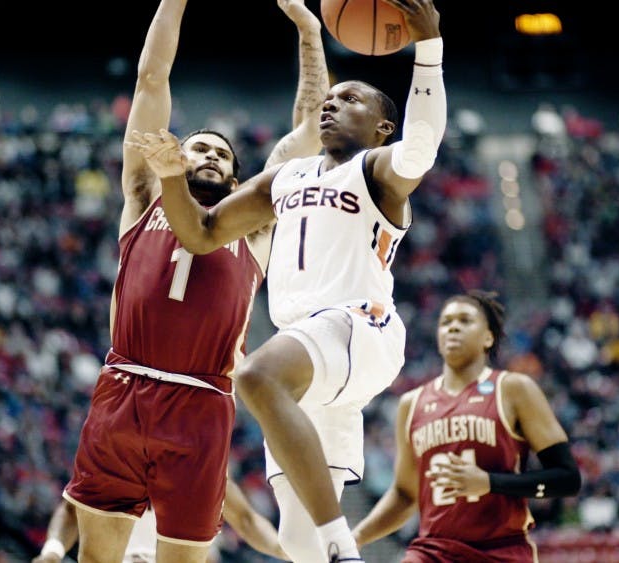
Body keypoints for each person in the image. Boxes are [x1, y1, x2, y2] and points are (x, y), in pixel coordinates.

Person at [130, 2, 444, 560]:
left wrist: (429, 48)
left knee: (254, 377)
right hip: (309, 355)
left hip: (356, 326)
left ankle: (344, 549)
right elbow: (202, 233)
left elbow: (421, 147)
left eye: (349, 99)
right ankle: (328, 546)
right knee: (298, 546)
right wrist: (173, 178)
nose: (331, 106)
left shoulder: (377, 170)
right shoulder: (286, 177)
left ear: (381, 127)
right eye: (329, 100)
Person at [60, 1, 330, 562]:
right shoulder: (143, 195)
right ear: (175, 158)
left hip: (201, 403)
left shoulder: (253, 222)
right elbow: (151, 78)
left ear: (236, 176)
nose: (209, 154)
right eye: (198, 147)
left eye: (222, 154)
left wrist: (308, 30)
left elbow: (310, 130)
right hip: (123, 390)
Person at [351, 290, 582, 561]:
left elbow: (567, 479)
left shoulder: (513, 389)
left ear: (488, 337)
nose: (453, 327)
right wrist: (355, 538)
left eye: (465, 320)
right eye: (446, 322)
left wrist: (490, 482)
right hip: (431, 551)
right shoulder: (411, 404)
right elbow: (404, 495)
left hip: (501, 549)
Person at [34, 478, 288, 562]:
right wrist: (53, 550)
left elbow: (247, 520)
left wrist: (289, 550)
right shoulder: (119, 454)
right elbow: (70, 509)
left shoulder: (204, 471)